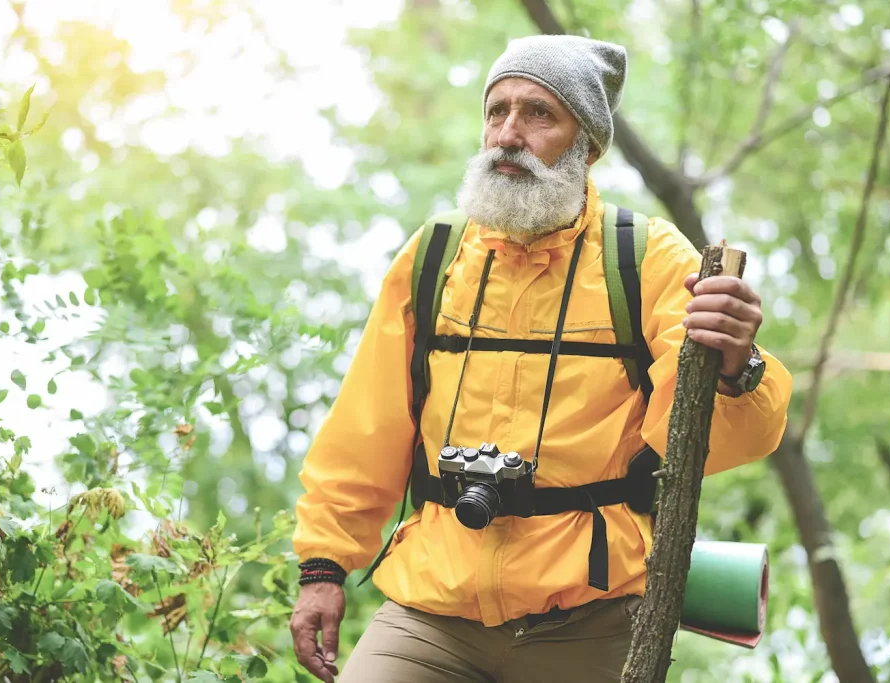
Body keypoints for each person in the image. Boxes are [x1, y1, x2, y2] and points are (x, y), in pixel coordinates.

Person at [289, 35, 793, 682]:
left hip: (593, 614)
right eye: (497, 111)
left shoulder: (649, 261)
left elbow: (711, 439)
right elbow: (366, 428)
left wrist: (736, 367)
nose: (508, 134)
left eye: (538, 114)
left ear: (588, 144)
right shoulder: (436, 255)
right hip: (434, 608)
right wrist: (324, 565)